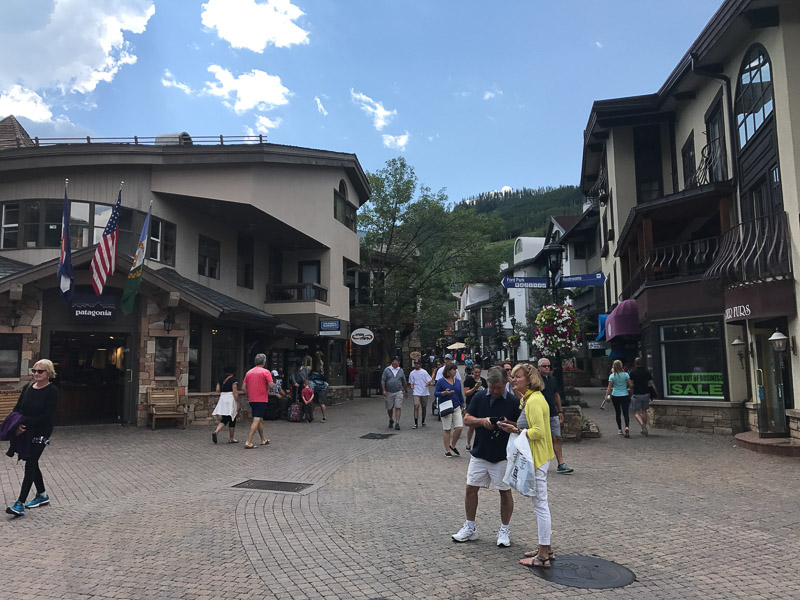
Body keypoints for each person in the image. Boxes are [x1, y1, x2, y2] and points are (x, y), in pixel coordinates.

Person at [452, 366, 521, 548]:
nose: (495, 391)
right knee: (470, 488)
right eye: (492, 387)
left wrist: (508, 424)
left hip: (503, 455)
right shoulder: (480, 397)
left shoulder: (513, 401)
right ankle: (470, 527)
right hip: (480, 452)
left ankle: (504, 529)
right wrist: (482, 421)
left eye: (498, 388)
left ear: (505, 384)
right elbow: (467, 419)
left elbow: (521, 426)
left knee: (505, 492)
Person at [506, 364, 556, 569]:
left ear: (529, 379)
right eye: (513, 376)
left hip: (537, 457)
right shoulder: (531, 398)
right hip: (540, 456)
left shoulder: (534, 400)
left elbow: (538, 432)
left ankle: (543, 555)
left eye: (517, 376)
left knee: (540, 506)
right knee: (540, 505)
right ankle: (546, 548)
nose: (513, 380)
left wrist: (517, 431)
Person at [4, 359, 59, 516]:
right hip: (25, 430)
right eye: (34, 371)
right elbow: (18, 408)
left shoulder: (52, 391)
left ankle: (20, 503)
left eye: (40, 371)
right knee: (31, 462)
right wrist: (16, 425)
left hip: (41, 430)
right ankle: (42, 495)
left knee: (30, 463)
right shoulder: (27, 387)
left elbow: (47, 415)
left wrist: (26, 425)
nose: (36, 374)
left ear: (48, 373)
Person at [537, 358, 573, 474]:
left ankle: (561, 463)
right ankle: (540, 463)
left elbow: (556, 395)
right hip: (540, 413)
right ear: (539, 367)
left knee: (556, 437)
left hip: (552, 412)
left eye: (548, 366)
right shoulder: (535, 381)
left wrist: (560, 411)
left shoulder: (552, 379)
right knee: (541, 438)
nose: (547, 368)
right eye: (544, 366)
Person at [242, 353, 273, 449]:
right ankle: (248, 441)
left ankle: (263, 439)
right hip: (261, 399)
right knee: (257, 419)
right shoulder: (266, 372)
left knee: (259, 419)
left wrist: (248, 393)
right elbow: (271, 385)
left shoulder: (249, 372)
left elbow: (243, 387)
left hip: (252, 399)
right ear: (264, 362)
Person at [435, 362, 465, 457]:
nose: (455, 371)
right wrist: (443, 393)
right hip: (446, 406)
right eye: (454, 370)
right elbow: (436, 393)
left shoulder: (457, 381)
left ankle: (453, 445)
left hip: (456, 406)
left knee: (459, 428)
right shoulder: (441, 381)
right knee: (447, 429)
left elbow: (460, 395)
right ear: (448, 371)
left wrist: (464, 406)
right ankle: (447, 450)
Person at [629, 357, 658, 436]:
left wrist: (631, 392)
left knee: (637, 412)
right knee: (644, 411)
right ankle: (644, 427)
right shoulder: (647, 372)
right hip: (646, 393)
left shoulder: (632, 372)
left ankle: (642, 424)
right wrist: (655, 391)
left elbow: (631, 385)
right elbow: (651, 383)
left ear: (635, 363)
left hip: (637, 394)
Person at [211, 365, 239, 444]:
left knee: (225, 418)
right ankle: (231, 438)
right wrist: (238, 402)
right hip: (230, 399)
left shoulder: (221, 378)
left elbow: (217, 389)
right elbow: (235, 392)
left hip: (223, 398)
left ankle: (216, 431)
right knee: (232, 418)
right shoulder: (234, 379)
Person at [605, 360, 633, 437]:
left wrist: (607, 395)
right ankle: (627, 427)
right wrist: (630, 391)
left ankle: (620, 429)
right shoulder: (626, 374)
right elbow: (631, 384)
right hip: (625, 395)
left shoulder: (612, 376)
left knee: (618, 413)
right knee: (625, 412)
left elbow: (609, 387)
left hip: (615, 395)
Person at [463, 366, 488, 451]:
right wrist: (475, 388)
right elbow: (466, 393)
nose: (477, 374)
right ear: (472, 371)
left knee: (482, 425)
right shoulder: (468, 380)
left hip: (482, 405)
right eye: (475, 372)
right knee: (472, 425)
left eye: (479, 372)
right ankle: (468, 443)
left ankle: (481, 443)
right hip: (471, 405)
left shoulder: (483, 381)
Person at [381, 356, 408, 430]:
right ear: (393, 362)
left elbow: (404, 381)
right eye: (397, 362)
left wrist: (406, 391)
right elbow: (383, 380)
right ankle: (391, 419)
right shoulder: (387, 370)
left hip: (398, 391)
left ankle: (397, 422)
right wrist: (384, 390)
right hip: (389, 391)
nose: (398, 363)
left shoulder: (401, 370)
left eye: (398, 362)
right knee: (389, 408)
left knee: (398, 406)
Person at [408, 359, 432, 428]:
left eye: (417, 364)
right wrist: (411, 386)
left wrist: (428, 383)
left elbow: (429, 380)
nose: (416, 365)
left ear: (420, 364)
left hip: (424, 392)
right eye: (415, 364)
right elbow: (411, 382)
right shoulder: (412, 373)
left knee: (424, 407)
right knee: (416, 406)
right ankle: (416, 423)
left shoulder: (424, 372)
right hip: (416, 392)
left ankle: (423, 420)